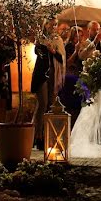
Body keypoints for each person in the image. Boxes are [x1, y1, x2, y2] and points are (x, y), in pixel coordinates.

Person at [32, 19, 65, 149]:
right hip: (41, 74)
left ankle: (47, 136)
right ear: (45, 24)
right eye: (51, 23)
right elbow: (37, 52)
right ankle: (37, 136)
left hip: (53, 74)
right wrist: (45, 45)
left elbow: (61, 59)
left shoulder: (58, 39)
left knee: (50, 105)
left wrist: (53, 51)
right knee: (42, 103)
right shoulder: (40, 38)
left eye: (55, 24)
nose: (53, 26)